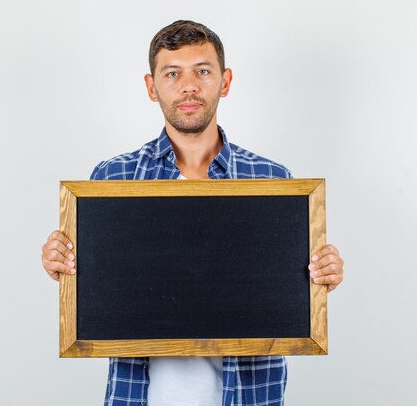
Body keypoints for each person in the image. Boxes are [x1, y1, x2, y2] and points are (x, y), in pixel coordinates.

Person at [41, 20, 344, 406]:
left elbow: (289, 286)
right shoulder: (112, 179)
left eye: (203, 71)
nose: (189, 86)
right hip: (140, 394)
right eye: (172, 73)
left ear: (225, 81)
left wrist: (317, 276)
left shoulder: (274, 181)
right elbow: (98, 284)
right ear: (152, 87)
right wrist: (63, 264)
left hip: (248, 394)